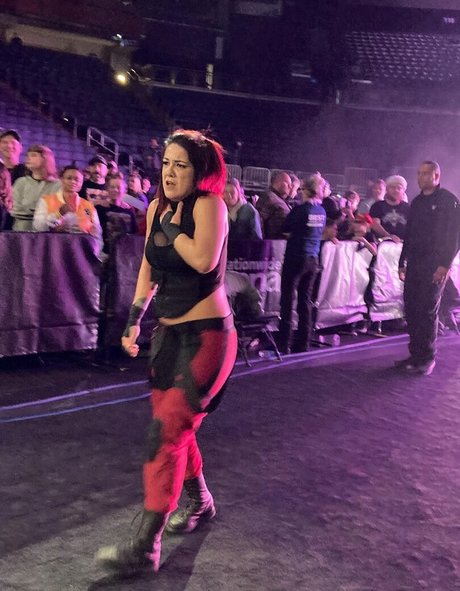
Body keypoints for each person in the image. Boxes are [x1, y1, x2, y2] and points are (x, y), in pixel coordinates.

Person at [95, 129, 237, 575]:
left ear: (199, 171)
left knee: (166, 432)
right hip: (168, 336)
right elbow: (148, 267)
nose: (170, 173)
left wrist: (173, 228)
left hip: (209, 338)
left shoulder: (209, 206)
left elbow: (202, 260)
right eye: (166, 164)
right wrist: (134, 319)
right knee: (176, 431)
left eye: (181, 165)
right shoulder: (157, 206)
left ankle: (146, 544)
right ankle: (200, 501)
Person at [396, 161, 460, 375]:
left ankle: (427, 357)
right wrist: (402, 261)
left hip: (434, 264)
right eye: (419, 173)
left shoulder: (448, 201)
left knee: (427, 309)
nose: (420, 177)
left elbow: (454, 237)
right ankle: (415, 354)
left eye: (425, 173)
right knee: (412, 308)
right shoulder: (416, 202)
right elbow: (409, 234)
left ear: (436, 176)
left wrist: (444, 265)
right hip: (414, 262)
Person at [277, 173, 327, 354]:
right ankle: (303, 343)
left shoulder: (300, 210)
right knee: (305, 302)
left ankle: (284, 343)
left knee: (287, 301)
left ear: (304, 189)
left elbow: (284, 229)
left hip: (295, 257)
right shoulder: (321, 211)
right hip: (313, 259)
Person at [33, 165, 102, 246]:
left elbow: (97, 236)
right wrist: (58, 214)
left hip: (80, 250)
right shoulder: (46, 201)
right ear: (62, 180)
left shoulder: (88, 206)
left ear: (81, 183)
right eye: (69, 178)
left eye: (77, 179)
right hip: (53, 248)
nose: (73, 182)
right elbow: (38, 227)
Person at [11, 144, 61, 231]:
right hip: (20, 231)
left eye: (33, 155)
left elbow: (57, 211)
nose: (28, 158)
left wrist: (30, 211)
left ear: (45, 159)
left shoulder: (58, 185)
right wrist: (41, 213)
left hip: (47, 233)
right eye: (27, 155)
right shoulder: (20, 182)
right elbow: (14, 209)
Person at [370, 175, 410, 242]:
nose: (396, 190)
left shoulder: (407, 207)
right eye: (393, 187)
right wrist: (389, 236)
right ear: (387, 189)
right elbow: (375, 224)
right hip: (383, 243)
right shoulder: (377, 206)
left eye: (399, 188)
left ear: (403, 191)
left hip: (403, 243)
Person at [255, 170, 292, 238]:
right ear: (278, 182)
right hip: (273, 242)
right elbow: (259, 222)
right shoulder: (268, 197)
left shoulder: (279, 199)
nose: (290, 187)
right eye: (288, 184)